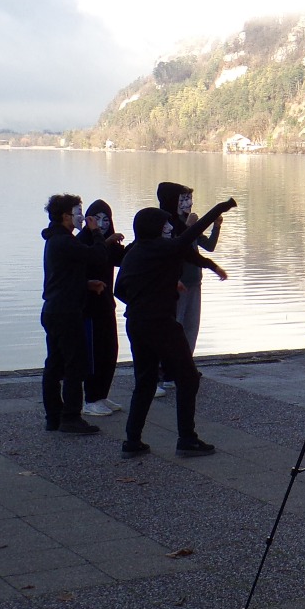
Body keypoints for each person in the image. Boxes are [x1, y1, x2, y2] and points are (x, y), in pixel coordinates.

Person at [115, 197, 237, 457]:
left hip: (135, 322)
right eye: (165, 224)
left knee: (145, 382)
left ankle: (132, 441)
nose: (170, 227)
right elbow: (193, 231)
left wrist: (146, 297)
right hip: (161, 323)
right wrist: (222, 206)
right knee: (188, 378)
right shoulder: (163, 248)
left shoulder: (135, 251)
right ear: (156, 229)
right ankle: (187, 439)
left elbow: (119, 290)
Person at [41, 193, 107, 435]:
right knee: (74, 366)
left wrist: (85, 283)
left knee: (55, 364)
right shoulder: (65, 242)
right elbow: (98, 256)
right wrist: (97, 232)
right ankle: (70, 418)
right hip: (66, 312)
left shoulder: (57, 240)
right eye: (78, 212)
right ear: (65, 216)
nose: (82, 217)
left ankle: (53, 417)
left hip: (53, 309)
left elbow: (63, 275)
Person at [154, 181, 222, 396]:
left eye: (190, 199)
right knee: (173, 329)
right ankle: (162, 374)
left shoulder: (188, 222)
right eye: (183, 199)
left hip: (195, 283)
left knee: (190, 329)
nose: (189, 203)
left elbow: (208, 246)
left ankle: (181, 369)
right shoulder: (165, 224)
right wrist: (191, 226)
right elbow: (173, 248)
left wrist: (216, 226)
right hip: (176, 285)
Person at [77, 199, 127, 418]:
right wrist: (106, 241)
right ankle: (90, 399)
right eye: (96, 219)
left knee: (110, 351)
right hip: (89, 309)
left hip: (107, 305)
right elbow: (92, 258)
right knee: (94, 354)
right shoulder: (81, 241)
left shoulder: (108, 243)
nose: (102, 224)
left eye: (106, 220)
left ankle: (102, 395)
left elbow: (123, 258)